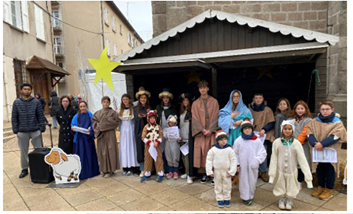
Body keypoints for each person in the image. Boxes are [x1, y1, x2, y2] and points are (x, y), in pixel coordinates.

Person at [269, 119, 313, 210]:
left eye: (289, 129)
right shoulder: (277, 142)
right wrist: (272, 174)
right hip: (280, 169)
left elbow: (302, 160)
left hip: (292, 170)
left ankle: (289, 199)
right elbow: (273, 158)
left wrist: (308, 178)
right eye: (285, 129)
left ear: (292, 130)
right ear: (282, 130)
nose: (287, 131)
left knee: (291, 185)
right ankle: (281, 198)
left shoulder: (296, 143)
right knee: (280, 184)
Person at [307, 100, 347, 200]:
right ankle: (320, 187)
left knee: (330, 169)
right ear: (320, 110)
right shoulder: (315, 121)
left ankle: (329, 189)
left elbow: (336, 136)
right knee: (320, 168)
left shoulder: (337, 123)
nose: (325, 111)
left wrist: (322, 144)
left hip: (330, 150)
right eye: (322, 109)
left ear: (332, 110)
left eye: (327, 109)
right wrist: (315, 143)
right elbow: (309, 133)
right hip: (318, 150)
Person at [12, 83, 46, 178]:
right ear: (21, 91)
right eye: (25, 89)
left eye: (28, 89)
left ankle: (39, 167)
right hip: (22, 130)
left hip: (35, 129)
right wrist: (16, 129)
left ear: (31, 91)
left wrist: (42, 127)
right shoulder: (17, 102)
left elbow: (40, 115)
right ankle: (24, 168)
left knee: (39, 149)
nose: (27, 91)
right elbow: (14, 116)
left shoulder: (36, 102)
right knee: (23, 151)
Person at [233, 120, 267, 206]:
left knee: (252, 180)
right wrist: (237, 164)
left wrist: (257, 160)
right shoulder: (238, 141)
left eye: (249, 128)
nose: (247, 130)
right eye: (245, 129)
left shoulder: (257, 140)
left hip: (253, 165)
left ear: (252, 129)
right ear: (242, 130)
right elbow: (235, 153)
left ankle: (251, 195)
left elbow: (262, 152)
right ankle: (245, 197)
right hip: (242, 165)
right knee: (243, 180)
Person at [192, 80, 219, 184]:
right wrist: (202, 129)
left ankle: (212, 173)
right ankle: (203, 173)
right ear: (199, 89)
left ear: (208, 88)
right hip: (200, 132)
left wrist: (210, 129)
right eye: (201, 88)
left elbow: (216, 116)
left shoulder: (214, 102)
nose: (203, 89)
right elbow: (194, 118)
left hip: (210, 131)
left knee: (211, 151)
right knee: (201, 152)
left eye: (204, 87)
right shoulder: (195, 103)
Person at [206, 127, 237, 208]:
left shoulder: (229, 149)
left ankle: (227, 198)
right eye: (221, 140)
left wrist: (232, 171)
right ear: (217, 140)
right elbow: (209, 160)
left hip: (227, 171)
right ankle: (219, 198)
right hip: (217, 171)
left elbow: (233, 160)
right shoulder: (213, 150)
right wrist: (209, 171)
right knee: (218, 185)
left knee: (227, 185)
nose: (224, 141)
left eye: (225, 139)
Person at [248, 93, 275, 182]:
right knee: (252, 154)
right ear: (253, 99)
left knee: (263, 153)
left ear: (263, 99)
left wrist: (264, 129)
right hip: (252, 134)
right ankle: (255, 171)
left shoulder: (268, 110)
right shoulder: (249, 110)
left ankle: (263, 172)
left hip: (263, 135)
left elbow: (271, 122)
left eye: (260, 98)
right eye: (256, 98)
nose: (258, 100)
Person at [92, 96, 120, 178]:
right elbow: (95, 123)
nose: (106, 103)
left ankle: (111, 170)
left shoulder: (113, 113)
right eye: (104, 102)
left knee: (110, 151)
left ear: (110, 103)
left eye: (107, 102)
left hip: (110, 134)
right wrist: (101, 127)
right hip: (101, 134)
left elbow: (115, 123)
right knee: (102, 152)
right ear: (101, 103)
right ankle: (104, 169)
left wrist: (103, 124)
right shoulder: (97, 113)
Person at [71, 101, 100, 180]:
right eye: (81, 107)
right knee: (80, 156)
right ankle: (81, 172)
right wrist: (73, 129)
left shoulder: (91, 115)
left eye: (84, 106)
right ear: (79, 108)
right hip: (79, 139)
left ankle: (91, 171)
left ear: (86, 106)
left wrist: (90, 131)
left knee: (89, 155)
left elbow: (94, 125)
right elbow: (72, 125)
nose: (83, 108)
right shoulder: (76, 116)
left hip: (87, 139)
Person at [289, 100, 312, 190]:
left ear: (305, 110)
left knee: (301, 163)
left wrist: (296, 144)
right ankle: (293, 180)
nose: (300, 110)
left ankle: (299, 181)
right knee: (292, 163)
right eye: (298, 108)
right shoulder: (291, 120)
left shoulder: (308, 120)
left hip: (302, 145)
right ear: (295, 110)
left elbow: (304, 133)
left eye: (302, 108)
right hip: (290, 144)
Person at [156, 88, 177, 175]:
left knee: (170, 150)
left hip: (170, 132)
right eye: (164, 98)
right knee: (161, 150)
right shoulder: (158, 107)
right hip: (161, 131)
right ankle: (162, 168)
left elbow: (175, 120)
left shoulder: (173, 108)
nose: (165, 99)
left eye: (167, 98)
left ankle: (171, 169)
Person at [118, 94, 139, 175]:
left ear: (129, 100)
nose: (125, 101)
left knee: (131, 147)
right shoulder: (120, 110)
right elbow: (119, 122)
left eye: (126, 99)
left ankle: (132, 167)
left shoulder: (133, 109)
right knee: (124, 148)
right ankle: (125, 167)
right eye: (123, 100)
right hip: (124, 130)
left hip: (131, 129)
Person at [140, 110, 164, 183]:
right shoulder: (146, 127)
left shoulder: (158, 127)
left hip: (157, 145)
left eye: (153, 118)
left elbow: (161, 135)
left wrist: (158, 141)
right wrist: (148, 142)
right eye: (151, 118)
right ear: (148, 119)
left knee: (158, 158)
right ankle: (147, 173)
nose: (152, 119)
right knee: (147, 159)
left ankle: (160, 173)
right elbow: (143, 137)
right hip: (148, 146)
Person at [133, 87, 151, 177]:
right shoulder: (135, 109)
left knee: (148, 150)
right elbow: (135, 119)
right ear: (139, 99)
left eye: (144, 98)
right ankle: (142, 169)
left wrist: (147, 116)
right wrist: (141, 117)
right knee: (140, 150)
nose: (143, 99)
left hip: (148, 132)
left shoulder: (149, 108)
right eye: (141, 98)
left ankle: (149, 169)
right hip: (139, 131)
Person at [178, 93, 195, 184]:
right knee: (184, 156)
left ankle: (190, 175)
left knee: (188, 157)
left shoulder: (191, 111)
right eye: (184, 100)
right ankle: (186, 171)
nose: (185, 102)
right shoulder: (181, 112)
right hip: (182, 136)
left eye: (187, 100)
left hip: (189, 137)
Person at [164, 115, 182, 179]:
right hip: (168, 144)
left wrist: (179, 139)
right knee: (169, 156)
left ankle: (175, 171)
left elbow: (179, 137)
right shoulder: (166, 130)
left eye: (173, 123)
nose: (172, 124)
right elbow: (164, 136)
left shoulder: (178, 130)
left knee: (175, 157)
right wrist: (167, 134)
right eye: (170, 122)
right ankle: (170, 171)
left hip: (175, 144)